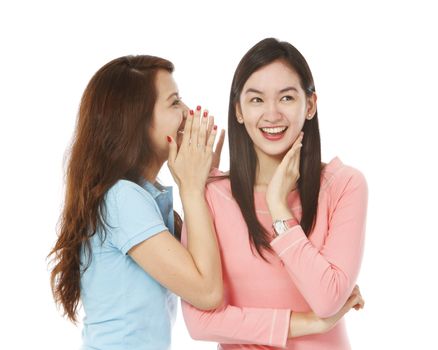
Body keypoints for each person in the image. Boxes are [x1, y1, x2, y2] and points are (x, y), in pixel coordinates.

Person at [181, 38, 368, 349]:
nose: (272, 114)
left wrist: (278, 208)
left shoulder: (345, 185)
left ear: (310, 105)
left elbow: (327, 299)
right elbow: (200, 321)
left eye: (286, 98)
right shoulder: (211, 195)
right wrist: (305, 323)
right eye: (256, 100)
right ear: (238, 111)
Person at [48, 55, 227, 350]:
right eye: (174, 102)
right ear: (137, 122)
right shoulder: (121, 198)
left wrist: (201, 184)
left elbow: (206, 270)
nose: (187, 112)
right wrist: (193, 188)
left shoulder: (141, 196)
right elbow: (207, 293)